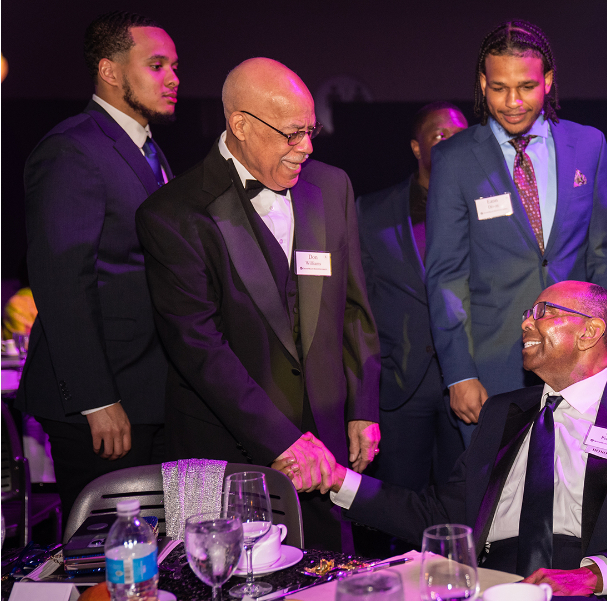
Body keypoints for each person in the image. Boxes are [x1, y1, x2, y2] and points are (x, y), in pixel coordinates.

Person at [300, 280, 607, 601]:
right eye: (527, 313)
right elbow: (440, 515)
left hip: (594, 599)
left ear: (590, 331)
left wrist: (590, 577)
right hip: (487, 588)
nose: (525, 323)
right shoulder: (502, 413)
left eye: (543, 313)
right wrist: (339, 479)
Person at [136, 58, 381, 551]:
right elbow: (199, 348)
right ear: (241, 125)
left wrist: (363, 407)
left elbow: (354, 308)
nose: (306, 148)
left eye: (311, 132)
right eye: (293, 134)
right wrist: (281, 439)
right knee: (217, 600)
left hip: (326, 444)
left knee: (323, 591)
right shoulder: (171, 213)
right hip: (223, 448)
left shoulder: (332, 187)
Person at [425, 20, 607, 446]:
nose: (513, 102)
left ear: (548, 81)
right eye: (499, 87)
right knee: (498, 500)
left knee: (580, 495)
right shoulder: (454, 159)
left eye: (526, 86)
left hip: (582, 359)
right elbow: (446, 276)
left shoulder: (588, 144)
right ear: (482, 83)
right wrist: (459, 372)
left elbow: (605, 257)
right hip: (494, 366)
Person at [16, 11, 178, 517]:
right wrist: (96, 400)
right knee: (106, 565)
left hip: (147, 392)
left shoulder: (149, 151)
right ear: (110, 71)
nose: (173, 78)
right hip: (104, 404)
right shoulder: (73, 148)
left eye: (175, 66)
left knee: (151, 557)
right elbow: (63, 281)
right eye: (156, 65)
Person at [356, 103, 467, 498]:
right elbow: (357, 307)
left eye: (460, 135)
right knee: (396, 504)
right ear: (416, 148)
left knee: (466, 502)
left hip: (470, 382)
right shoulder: (370, 212)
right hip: (399, 383)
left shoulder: (492, 211)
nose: (452, 144)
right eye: (440, 136)